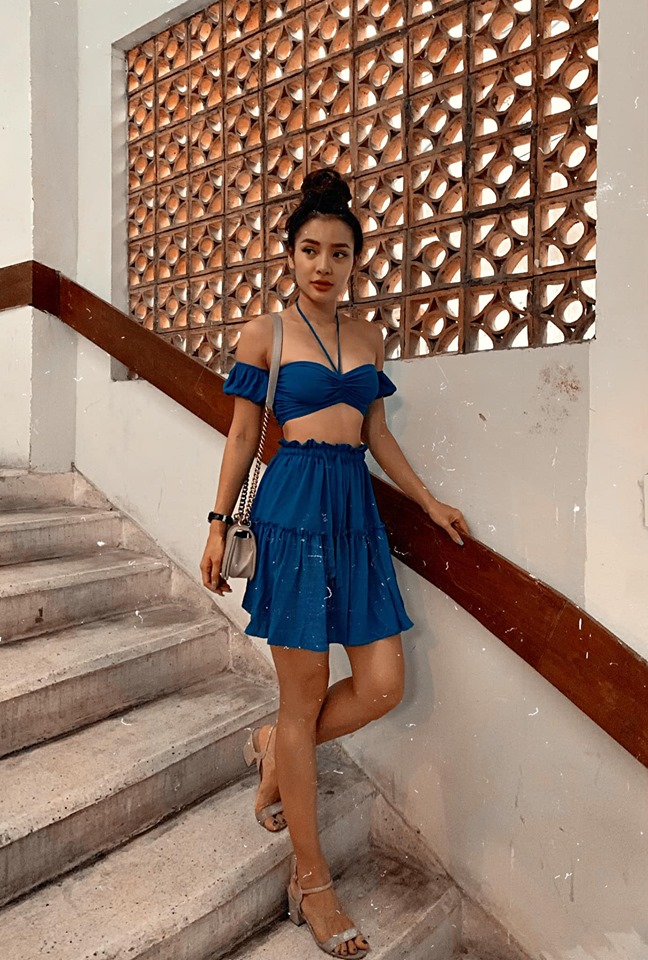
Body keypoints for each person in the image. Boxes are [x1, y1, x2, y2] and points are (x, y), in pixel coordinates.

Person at [200, 169, 470, 957]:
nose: (324, 265)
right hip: (290, 514)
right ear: (290, 254)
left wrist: (427, 500)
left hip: (354, 515)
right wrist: (217, 524)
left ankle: (275, 744)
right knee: (306, 694)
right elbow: (243, 436)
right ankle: (312, 881)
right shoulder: (266, 333)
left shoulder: (368, 338)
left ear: (356, 260)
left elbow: (376, 433)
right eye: (311, 250)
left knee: (383, 683)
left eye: (340, 253)